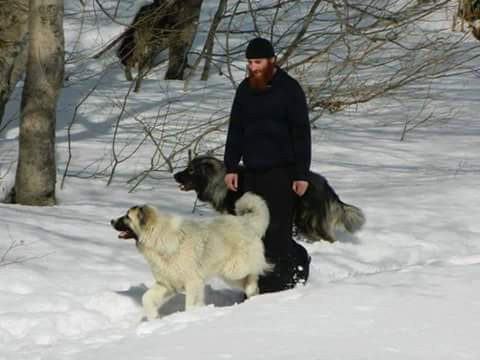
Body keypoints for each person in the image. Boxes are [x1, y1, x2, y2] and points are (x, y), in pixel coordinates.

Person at [223, 37, 312, 293]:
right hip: (251, 172)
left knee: (277, 230)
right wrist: (230, 166)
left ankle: (280, 286)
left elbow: (301, 134)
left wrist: (301, 174)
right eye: (250, 62)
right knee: (253, 233)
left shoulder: (289, 89)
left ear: (272, 60)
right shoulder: (245, 89)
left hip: (282, 172)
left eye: (258, 62)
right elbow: (236, 129)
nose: (253, 67)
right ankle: (257, 286)